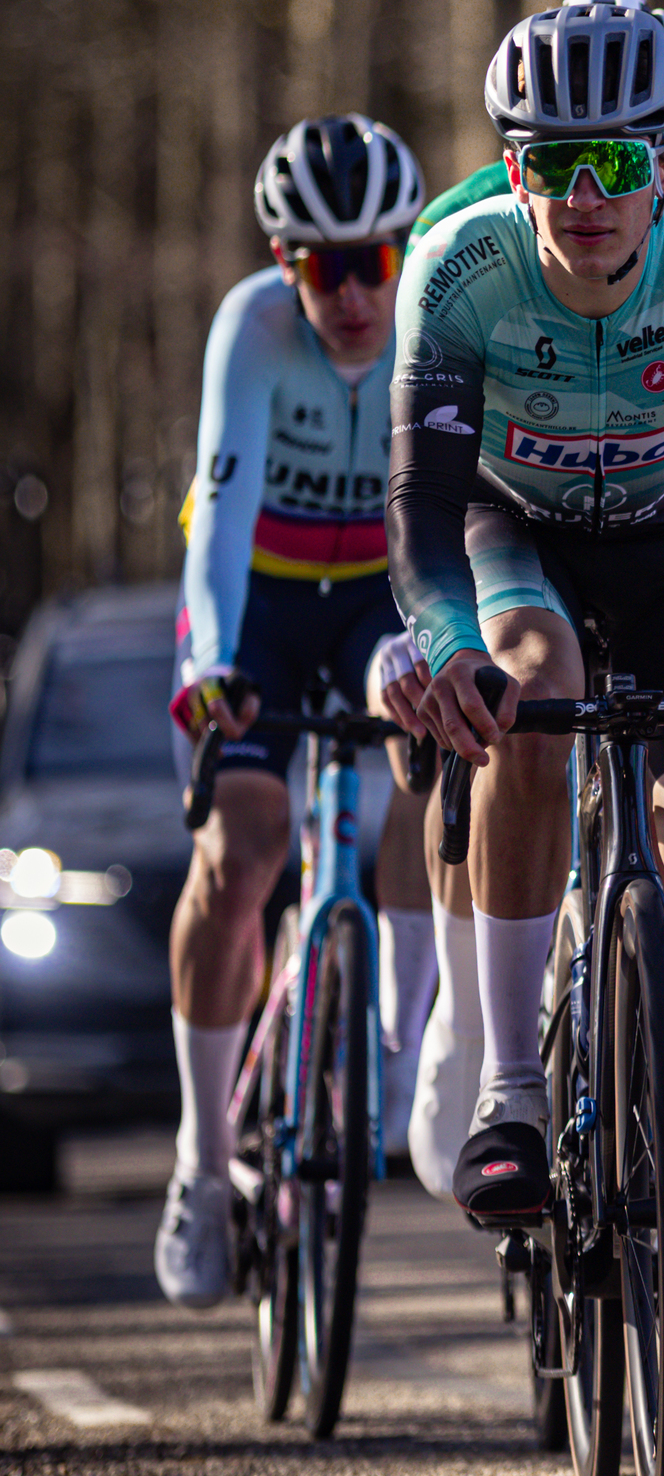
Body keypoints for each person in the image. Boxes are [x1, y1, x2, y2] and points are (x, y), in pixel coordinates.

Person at [382, 0, 664, 1356]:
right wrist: (446, 652)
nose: (589, 191)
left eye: (619, 158)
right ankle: (510, 1093)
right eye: (556, 159)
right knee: (529, 689)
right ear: (513, 166)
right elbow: (422, 509)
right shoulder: (458, 266)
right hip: (514, 530)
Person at [156, 115, 432, 1308]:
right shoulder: (254, 330)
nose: (356, 293)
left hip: (378, 596)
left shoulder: (436, 315)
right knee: (246, 847)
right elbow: (215, 520)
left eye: (376, 258)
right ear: (286, 265)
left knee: (435, 762)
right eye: (325, 266)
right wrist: (213, 659)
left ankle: (411, 1052)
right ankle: (201, 1159)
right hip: (259, 603)